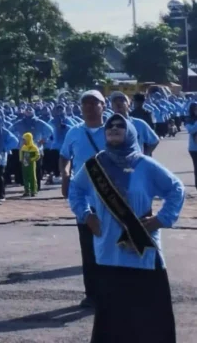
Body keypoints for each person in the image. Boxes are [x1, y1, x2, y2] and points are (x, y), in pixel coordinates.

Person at [68, 114, 184, 342]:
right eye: (110, 125)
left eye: (121, 125)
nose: (114, 128)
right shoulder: (94, 167)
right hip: (109, 254)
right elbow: (75, 189)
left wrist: (162, 219)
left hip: (142, 253)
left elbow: (176, 189)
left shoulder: (145, 164)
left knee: (149, 319)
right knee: (112, 319)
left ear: (130, 131)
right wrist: (86, 215)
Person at [59, 90, 107, 308]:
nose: (89, 107)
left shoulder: (113, 129)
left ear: (102, 106)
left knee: (114, 245)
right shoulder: (74, 132)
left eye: (94, 103)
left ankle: (114, 291)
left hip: (110, 196)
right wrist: (66, 175)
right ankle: (92, 293)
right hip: (84, 197)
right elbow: (64, 156)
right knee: (88, 247)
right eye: (85, 103)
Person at [108, 92, 159, 156]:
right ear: (111, 106)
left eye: (122, 101)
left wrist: (144, 156)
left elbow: (154, 141)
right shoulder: (107, 126)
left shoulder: (139, 123)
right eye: (115, 102)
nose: (118, 104)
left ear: (128, 104)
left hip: (135, 164)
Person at [19, 133, 41, 197]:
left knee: (32, 177)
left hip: (31, 165)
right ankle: (26, 191)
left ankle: (33, 191)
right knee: (25, 177)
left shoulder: (34, 147)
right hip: (24, 165)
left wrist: (31, 159)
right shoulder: (23, 147)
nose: (23, 141)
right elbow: (21, 154)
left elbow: (37, 156)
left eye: (24, 140)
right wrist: (21, 159)